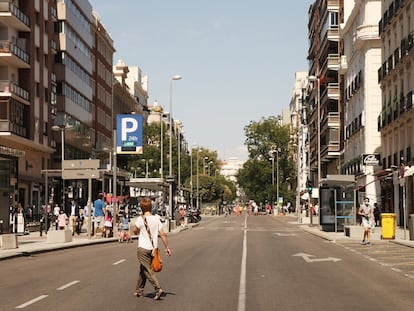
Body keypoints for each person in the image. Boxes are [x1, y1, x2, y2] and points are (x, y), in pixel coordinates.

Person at [133, 197, 172, 300]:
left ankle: (158, 288)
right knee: (143, 269)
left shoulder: (140, 219)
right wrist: (167, 247)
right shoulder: (156, 219)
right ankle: (139, 290)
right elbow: (163, 234)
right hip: (153, 249)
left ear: (141, 208)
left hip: (142, 248)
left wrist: (138, 229)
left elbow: (135, 231)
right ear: (151, 207)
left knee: (147, 269)